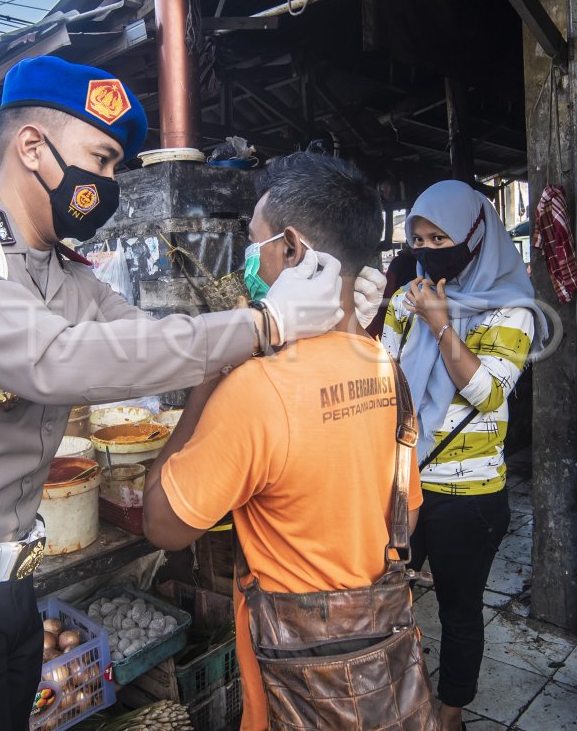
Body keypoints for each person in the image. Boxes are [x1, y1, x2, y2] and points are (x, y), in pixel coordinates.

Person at [0, 56, 382, 731]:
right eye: (101, 160)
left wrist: (334, 319)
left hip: (2, 597)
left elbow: (163, 350)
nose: (106, 183)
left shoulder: (74, 282)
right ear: (32, 147)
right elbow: (46, 359)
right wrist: (264, 323)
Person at [142, 153, 426, 730]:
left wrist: (210, 375)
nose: (249, 260)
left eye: (255, 242)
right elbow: (407, 518)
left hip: (294, 682)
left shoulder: (255, 390)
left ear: (292, 251)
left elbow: (162, 526)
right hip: (379, 670)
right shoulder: (385, 367)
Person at [381, 180, 546, 731]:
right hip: (405, 480)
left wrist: (440, 323)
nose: (428, 250)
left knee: (459, 610)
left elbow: (487, 392)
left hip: (468, 495)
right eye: (419, 238)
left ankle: (450, 713)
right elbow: (383, 373)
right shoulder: (410, 298)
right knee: (388, 598)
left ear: (476, 236)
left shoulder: (513, 310)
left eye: (440, 236)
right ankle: (399, 694)